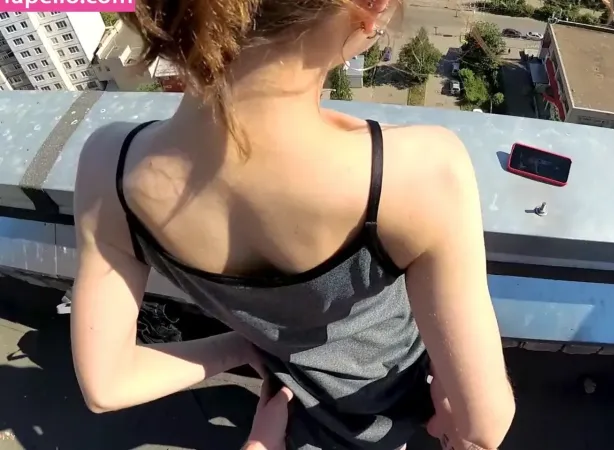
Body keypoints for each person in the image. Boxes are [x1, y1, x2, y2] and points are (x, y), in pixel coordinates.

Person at [68, 0, 516, 448]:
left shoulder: (111, 169)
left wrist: (240, 345)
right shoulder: (418, 172)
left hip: (287, 409)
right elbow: (484, 424)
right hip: (384, 417)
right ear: (371, 9)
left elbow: (107, 386)